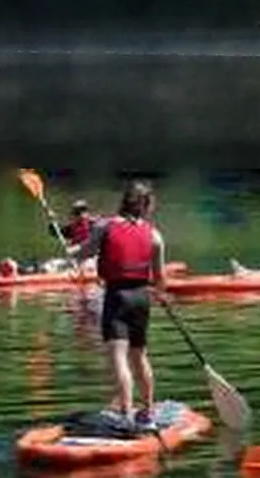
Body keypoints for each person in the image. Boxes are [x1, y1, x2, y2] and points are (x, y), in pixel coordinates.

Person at [76, 180, 167, 425]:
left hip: (117, 297)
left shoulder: (105, 227)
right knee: (140, 356)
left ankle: (125, 413)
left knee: (118, 356)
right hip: (141, 299)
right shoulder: (155, 235)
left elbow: (83, 254)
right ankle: (148, 410)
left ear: (124, 201)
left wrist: (71, 252)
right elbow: (159, 279)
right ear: (146, 206)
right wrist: (161, 295)